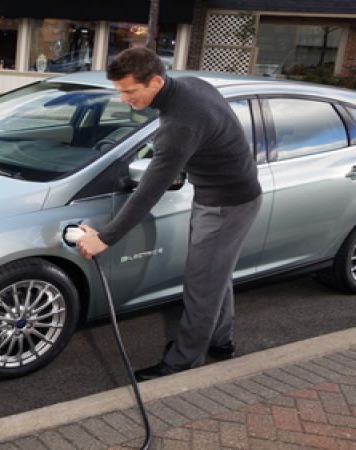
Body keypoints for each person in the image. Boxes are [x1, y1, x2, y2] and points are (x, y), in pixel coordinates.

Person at [75, 47, 262, 381]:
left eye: (130, 91)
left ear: (156, 81)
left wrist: (105, 238)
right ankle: (220, 342)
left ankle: (183, 363)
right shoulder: (192, 85)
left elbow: (149, 190)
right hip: (231, 195)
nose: (124, 99)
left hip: (225, 204)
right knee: (215, 276)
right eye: (120, 91)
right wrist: (192, 164)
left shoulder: (180, 124)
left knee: (202, 284)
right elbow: (218, 132)